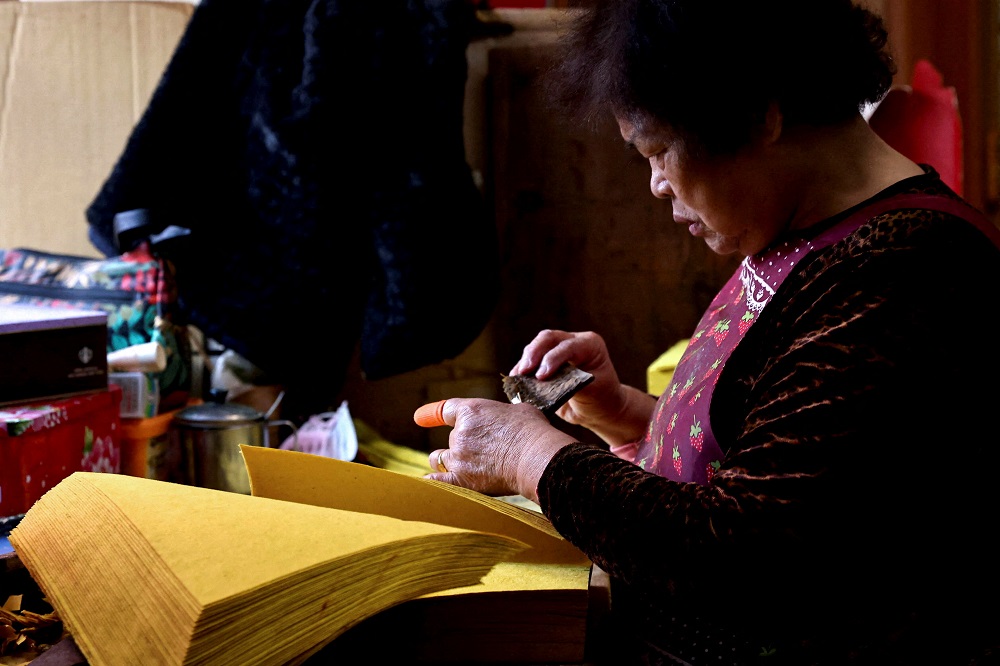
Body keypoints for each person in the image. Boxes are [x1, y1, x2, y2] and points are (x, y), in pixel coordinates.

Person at [416, 1, 1000, 664]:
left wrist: (530, 456)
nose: (656, 185)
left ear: (759, 115)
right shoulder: (808, 232)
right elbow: (782, 467)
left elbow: (739, 554)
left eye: (658, 151)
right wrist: (625, 415)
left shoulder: (902, 272)